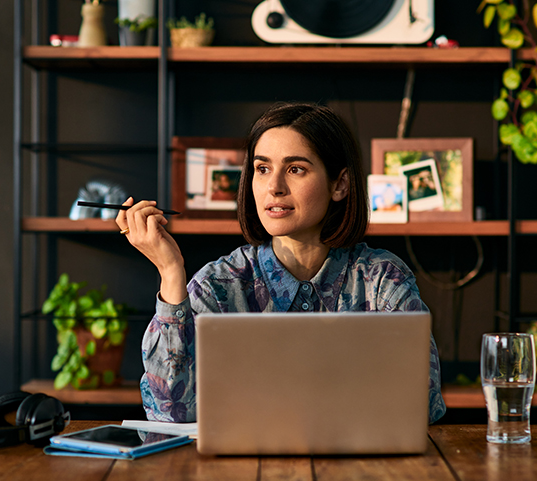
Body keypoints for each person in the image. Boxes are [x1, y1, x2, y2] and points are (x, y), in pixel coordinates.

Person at [116, 102, 446, 424]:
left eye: (295, 169)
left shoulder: (381, 279)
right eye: (262, 169)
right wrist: (170, 272)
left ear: (340, 184)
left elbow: (422, 403)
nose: (274, 187)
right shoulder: (219, 285)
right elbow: (170, 412)